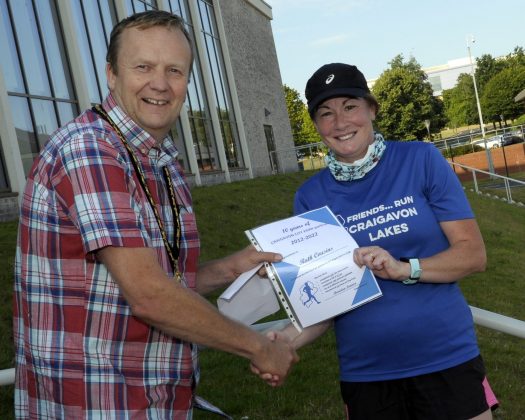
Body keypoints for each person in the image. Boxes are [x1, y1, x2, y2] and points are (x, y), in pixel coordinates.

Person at [13, 11, 298, 419]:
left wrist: (232, 268)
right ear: (111, 74)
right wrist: (260, 347)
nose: (160, 84)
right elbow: (148, 295)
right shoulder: (91, 151)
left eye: (174, 70)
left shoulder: (158, 160)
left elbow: (151, 281)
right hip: (97, 402)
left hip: (152, 398)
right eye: (143, 67)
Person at [259, 63, 497, 419]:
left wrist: (404, 269)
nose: (340, 122)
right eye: (326, 113)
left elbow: (473, 255)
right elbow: (324, 300)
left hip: (446, 358)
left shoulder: (421, 159)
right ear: (317, 126)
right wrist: (280, 342)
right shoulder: (310, 196)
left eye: (350, 106)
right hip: (368, 374)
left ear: (371, 109)